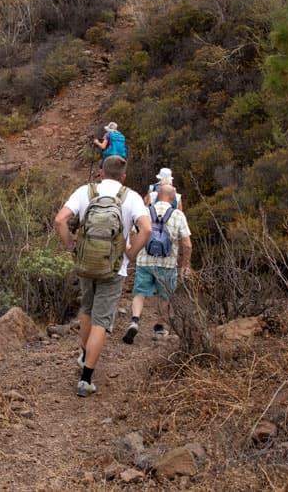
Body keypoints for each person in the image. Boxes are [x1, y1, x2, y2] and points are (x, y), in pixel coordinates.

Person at [54, 156, 151, 397]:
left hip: (86, 264)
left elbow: (60, 220)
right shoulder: (132, 197)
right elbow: (147, 228)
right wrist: (130, 253)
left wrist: (71, 246)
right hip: (114, 267)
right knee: (102, 321)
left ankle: (84, 355)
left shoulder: (84, 192)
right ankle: (86, 378)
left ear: (101, 173)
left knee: (87, 310)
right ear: (123, 177)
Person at [123, 184, 192, 344]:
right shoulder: (178, 215)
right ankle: (159, 328)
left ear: (156, 195)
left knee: (140, 293)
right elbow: (187, 244)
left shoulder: (145, 212)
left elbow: (132, 233)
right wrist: (185, 265)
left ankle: (134, 321)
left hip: (144, 261)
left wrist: (133, 250)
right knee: (164, 296)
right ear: (173, 198)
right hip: (167, 264)